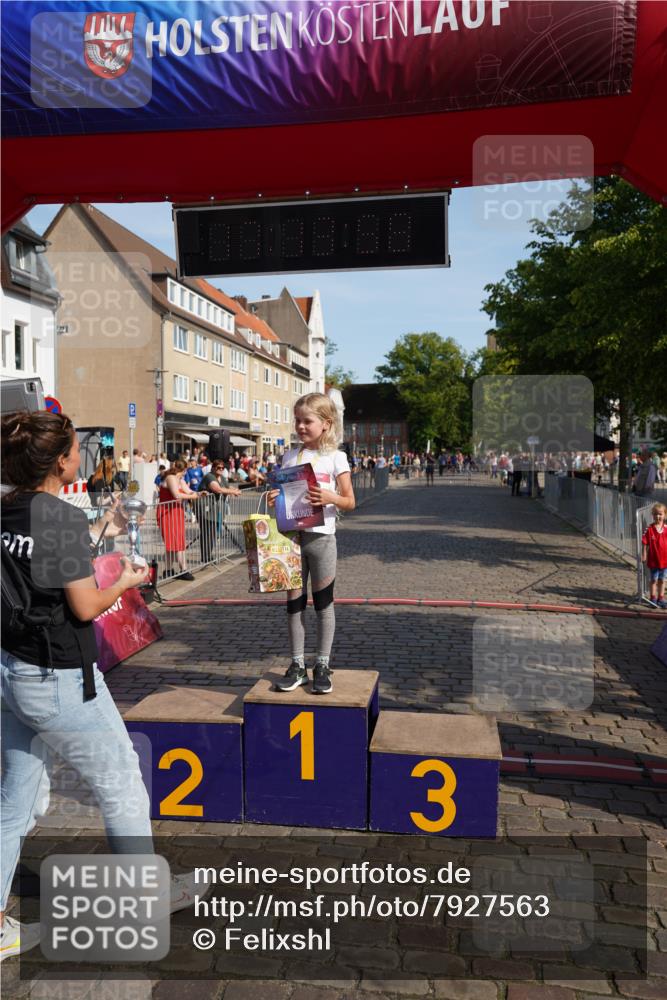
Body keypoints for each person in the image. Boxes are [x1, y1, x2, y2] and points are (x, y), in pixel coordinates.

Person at [0, 410, 165, 961]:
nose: (82, 456)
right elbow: (84, 603)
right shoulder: (57, 518)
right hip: (58, 678)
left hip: (11, 671)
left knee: (14, 801)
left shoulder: (10, 510)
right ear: (62, 460)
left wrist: (98, 532)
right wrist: (125, 577)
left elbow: (38, 567)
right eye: (76, 449)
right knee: (122, 785)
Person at [269, 393, 355, 695]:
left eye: (308, 421)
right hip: (293, 540)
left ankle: (321, 663)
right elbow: (285, 495)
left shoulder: (336, 457)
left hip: (321, 539)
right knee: (293, 605)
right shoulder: (290, 457)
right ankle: (296, 665)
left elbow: (350, 501)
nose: (301, 426)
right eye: (297, 420)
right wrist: (275, 498)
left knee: (323, 604)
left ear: (326, 424)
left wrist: (330, 497)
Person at [156, 459, 201, 580]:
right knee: (174, 542)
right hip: (167, 512)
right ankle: (183, 569)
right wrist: (193, 496)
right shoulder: (171, 478)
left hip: (176, 511)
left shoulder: (180, 480)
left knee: (177, 541)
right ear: (184, 470)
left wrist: (200, 493)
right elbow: (176, 494)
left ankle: (168, 570)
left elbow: (189, 491)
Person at [196, 461, 242, 563]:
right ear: (213, 468)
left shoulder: (222, 477)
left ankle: (208, 556)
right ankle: (205, 557)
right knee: (206, 532)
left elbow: (227, 486)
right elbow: (217, 489)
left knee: (212, 533)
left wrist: (236, 490)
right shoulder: (209, 476)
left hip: (215, 509)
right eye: (218, 467)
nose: (221, 469)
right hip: (205, 508)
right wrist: (233, 492)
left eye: (222, 468)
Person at [642, 503, 667, 609]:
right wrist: (644, 553)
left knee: (663, 580)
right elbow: (644, 542)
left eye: (660, 514)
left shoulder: (666, 529)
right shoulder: (650, 529)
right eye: (656, 514)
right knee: (653, 580)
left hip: (665, 561)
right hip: (653, 560)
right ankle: (652, 598)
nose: (658, 516)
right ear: (652, 515)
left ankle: (661, 598)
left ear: (665, 515)